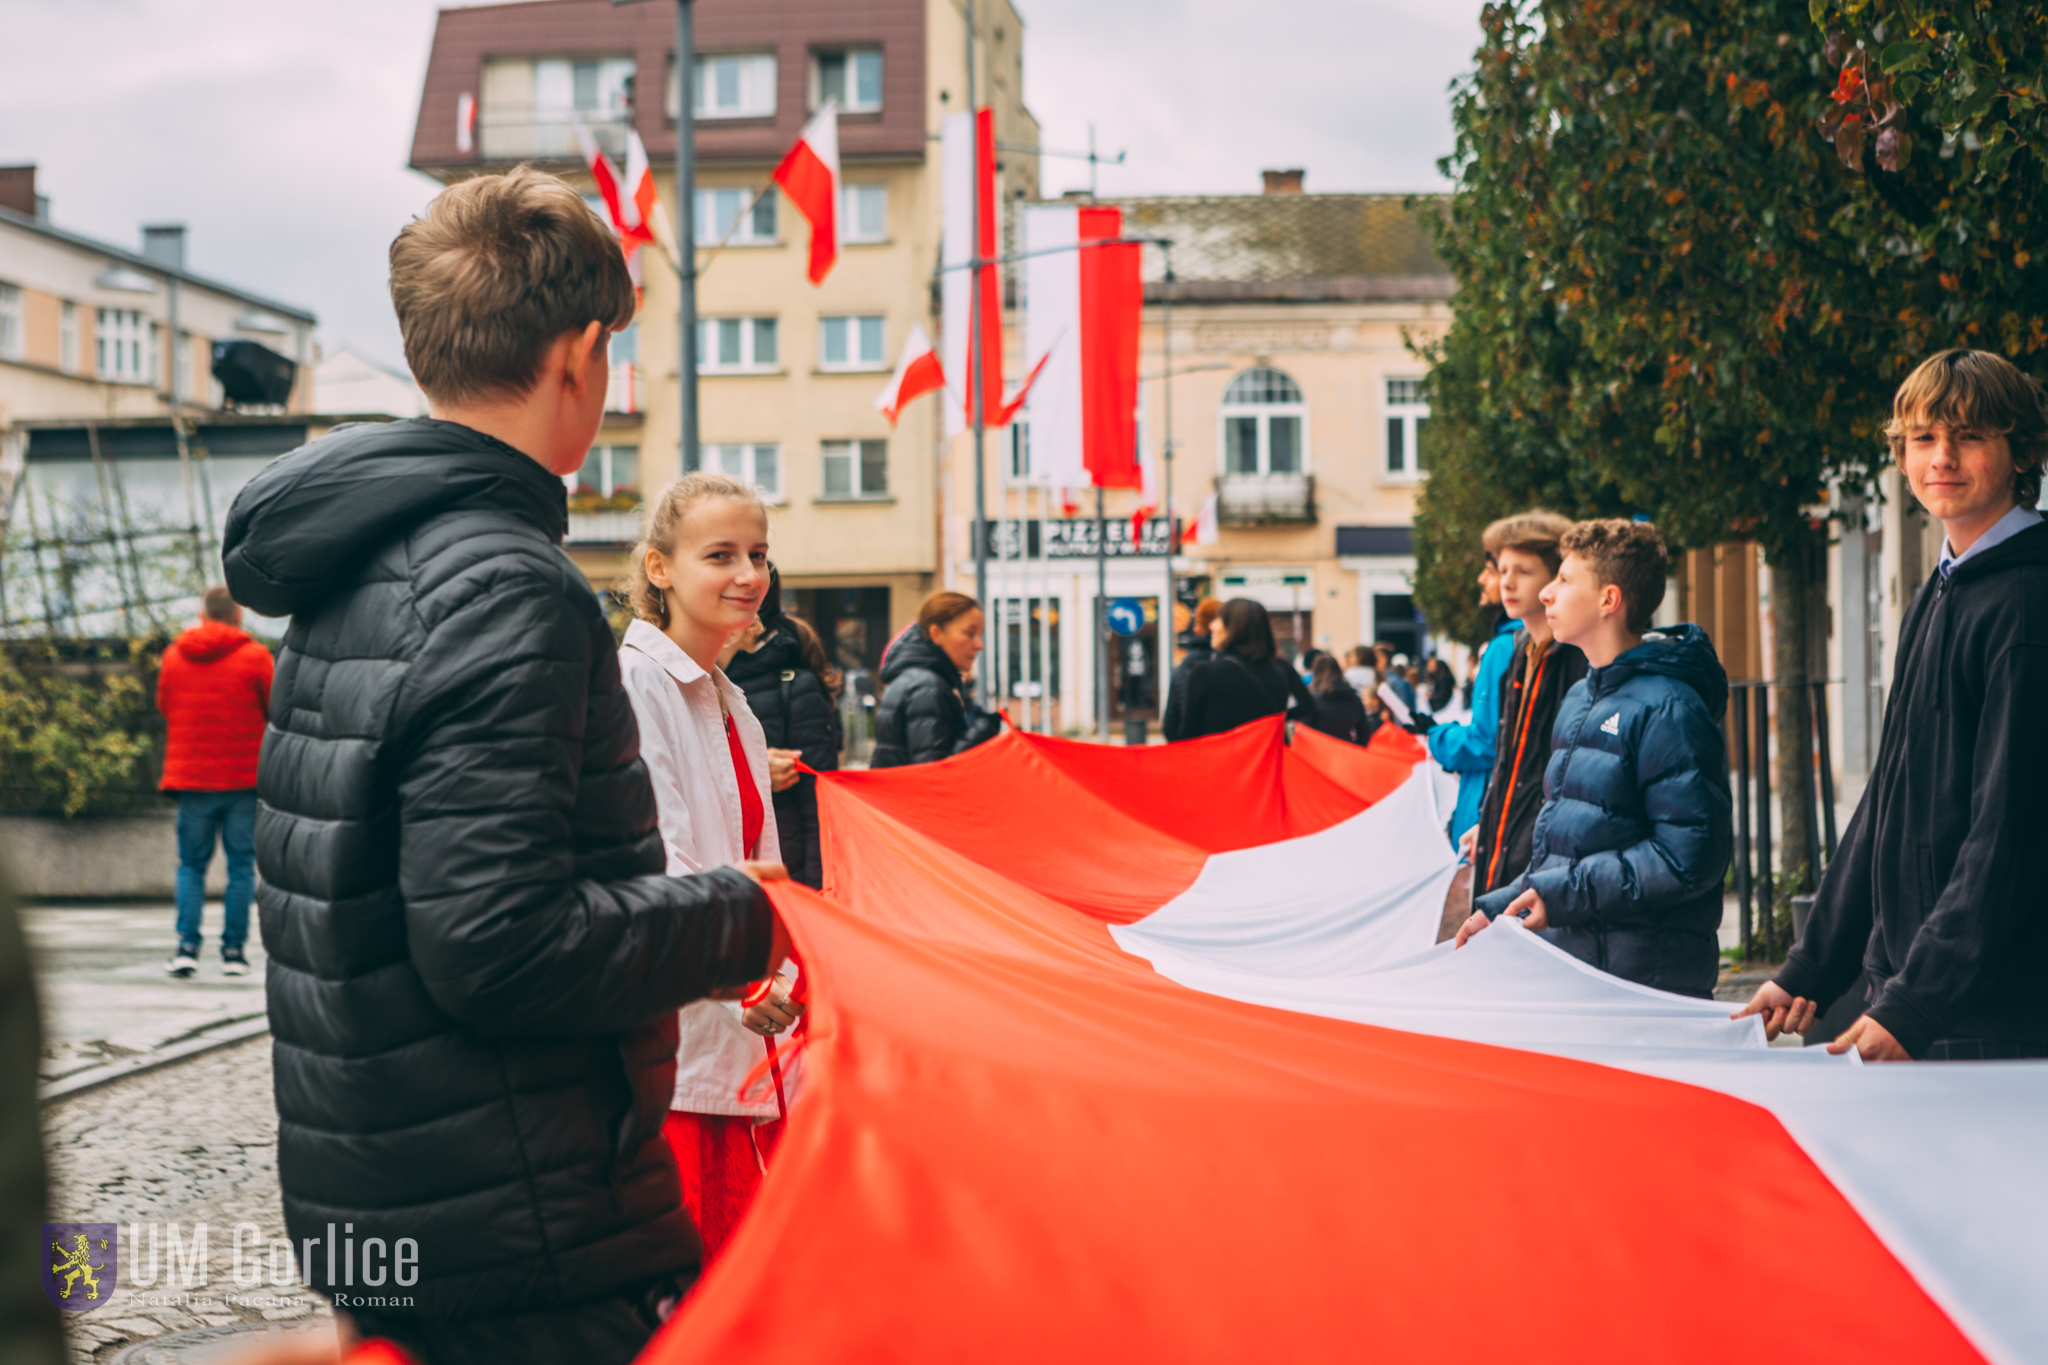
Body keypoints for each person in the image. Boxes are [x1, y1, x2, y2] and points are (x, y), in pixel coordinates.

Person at [221, 167, 787, 1365]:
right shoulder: (506, 588)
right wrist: (753, 917)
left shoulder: (362, 564)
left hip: (393, 1188)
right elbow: (497, 942)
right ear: (580, 358)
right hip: (520, 1226)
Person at [1736, 349, 2048, 1060]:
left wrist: (1917, 1002)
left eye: (1969, 436)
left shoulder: (2027, 605)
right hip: (1930, 998)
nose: (1942, 457)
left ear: (2022, 450)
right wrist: (1810, 968)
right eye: (1922, 438)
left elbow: (2013, 830)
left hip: (1998, 1017)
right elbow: (1889, 798)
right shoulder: (1940, 591)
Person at [617, 472, 807, 1263]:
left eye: (758, 554)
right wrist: (748, 979)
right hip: (684, 1040)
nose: (748, 576)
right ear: (660, 568)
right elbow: (663, 854)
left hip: (740, 1037)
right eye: (720, 554)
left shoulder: (732, 699)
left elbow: (761, 859)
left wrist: (787, 968)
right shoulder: (639, 682)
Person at [1457, 520, 1731, 999]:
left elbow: (1689, 857)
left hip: (1644, 987)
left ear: (1609, 600)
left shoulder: (1671, 709)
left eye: (1563, 580)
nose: (1546, 594)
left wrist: (1561, 895)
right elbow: (1560, 850)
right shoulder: (1581, 699)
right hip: (1580, 972)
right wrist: (1498, 905)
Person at [154, 584, 273, 978]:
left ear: (202, 615)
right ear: (238, 615)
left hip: (193, 780)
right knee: (241, 866)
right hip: (243, 780)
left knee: (191, 865)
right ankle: (234, 953)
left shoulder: (174, 657)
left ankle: (186, 947)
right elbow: (275, 709)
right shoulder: (256, 657)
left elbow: (165, 704)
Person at [1468, 512, 1587, 901]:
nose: (1507, 582)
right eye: (1502, 569)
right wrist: (1486, 825)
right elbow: (1508, 760)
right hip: (1506, 847)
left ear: (1555, 579)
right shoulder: (1519, 651)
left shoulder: (1575, 657)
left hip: (1541, 862)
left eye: (1523, 570)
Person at [724, 566, 843, 890]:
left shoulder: (796, 686)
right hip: (720, 873)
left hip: (781, 873)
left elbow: (819, 809)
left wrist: (815, 893)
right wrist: (756, 770)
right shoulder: (694, 680)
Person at [1426, 547, 1520, 847]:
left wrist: (1437, 736)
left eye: (1494, 571)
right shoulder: (1523, 644)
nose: (1484, 580)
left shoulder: (1503, 648)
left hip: (1489, 814)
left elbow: (1486, 742)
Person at [870, 591, 1001, 768]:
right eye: (970, 634)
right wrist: (982, 731)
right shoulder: (927, 687)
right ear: (936, 633)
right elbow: (933, 772)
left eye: (980, 635)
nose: (979, 645)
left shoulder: (919, 679)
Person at [1167, 599, 1319, 740]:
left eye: (1218, 620)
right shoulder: (1280, 672)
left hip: (1220, 765)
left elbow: (1185, 737)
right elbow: (1307, 706)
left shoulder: (1206, 673)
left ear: (1233, 628)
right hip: (1265, 765)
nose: (1212, 626)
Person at [1162, 597, 1223, 741]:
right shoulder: (1232, 662)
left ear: (1197, 629)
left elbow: (1170, 726)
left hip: (1195, 751)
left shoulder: (1183, 667)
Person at [1304, 654, 1375, 745]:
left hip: (1319, 752)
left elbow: (1305, 730)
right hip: (1345, 752)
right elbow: (1364, 735)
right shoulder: (1353, 698)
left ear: (1316, 673)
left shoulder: (1312, 699)